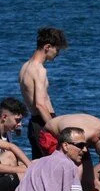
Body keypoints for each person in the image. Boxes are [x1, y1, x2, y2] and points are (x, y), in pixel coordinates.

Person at [19, 27, 68, 159]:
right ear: (47, 47)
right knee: (54, 166)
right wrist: (55, 129)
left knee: (40, 166)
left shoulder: (25, 67)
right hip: (44, 122)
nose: (58, 54)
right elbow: (40, 104)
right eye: (57, 50)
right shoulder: (39, 70)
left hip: (34, 124)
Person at [44, 113, 100, 191]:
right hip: (51, 135)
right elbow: (77, 164)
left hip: (75, 141)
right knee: (67, 170)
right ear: (99, 138)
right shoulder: (84, 135)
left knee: (88, 180)